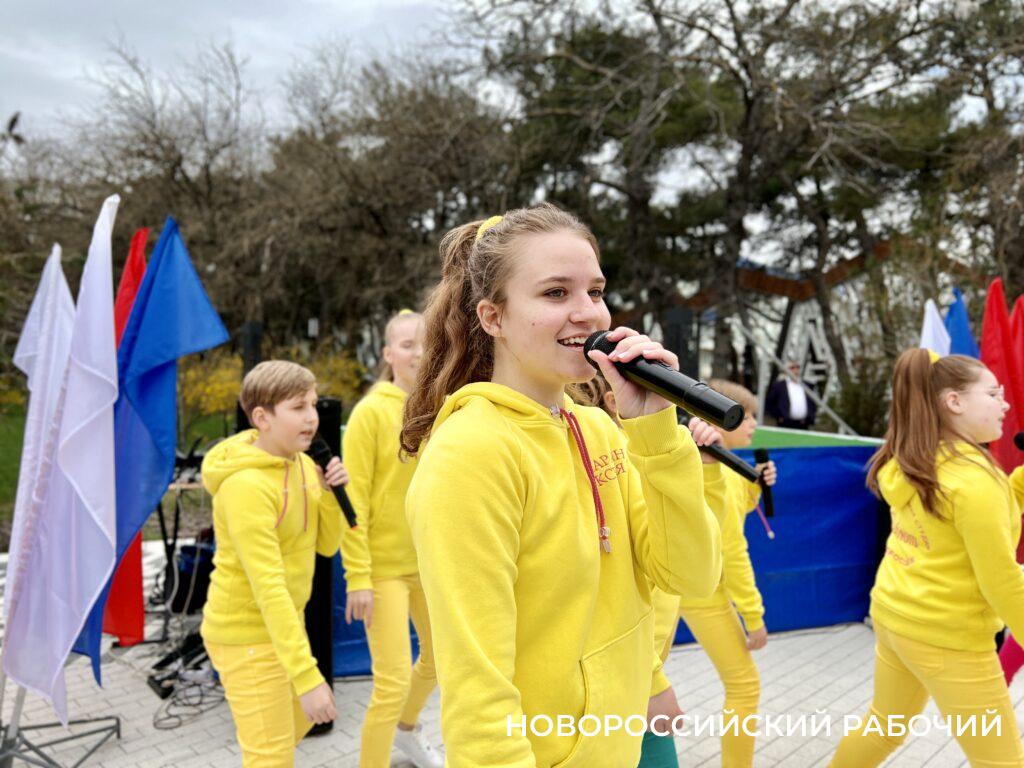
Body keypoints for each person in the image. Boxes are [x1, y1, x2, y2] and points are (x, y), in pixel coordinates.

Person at [400, 204, 724, 767]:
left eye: (595, 292)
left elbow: (690, 575)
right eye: (555, 293)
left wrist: (656, 430)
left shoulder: (599, 429)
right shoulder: (470, 453)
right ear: (492, 318)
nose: (587, 313)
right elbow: (476, 678)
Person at [830, 348, 1024, 767]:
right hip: (949, 637)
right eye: (993, 394)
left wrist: (1018, 484)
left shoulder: (914, 457)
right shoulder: (974, 480)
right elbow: (1001, 581)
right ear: (954, 402)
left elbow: (957, 524)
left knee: (882, 729)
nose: (1005, 404)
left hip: (897, 617)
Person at [577, 376, 776, 768]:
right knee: (744, 685)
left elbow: (720, 522)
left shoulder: (692, 461)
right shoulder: (641, 462)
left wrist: (751, 483)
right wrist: (753, 615)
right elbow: (727, 546)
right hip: (695, 604)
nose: (753, 423)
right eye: (745, 415)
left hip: (666, 626)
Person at [201, 361, 347, 767]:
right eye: (298, 407)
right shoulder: (245, 488)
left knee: (294, 728)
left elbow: (326, 546)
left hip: (283, 625)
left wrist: (330, 495)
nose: (312, 417)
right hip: (245, 635)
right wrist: (307, 676)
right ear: (262, 418)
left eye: (313, 404)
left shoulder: (301, 464)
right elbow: (269, 587)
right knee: (270, 755)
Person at [340, 309, 442, 768]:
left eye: (425, 342)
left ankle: (406, 730)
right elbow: (352, 501)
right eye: (407, 344)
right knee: (392, 681)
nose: (418, 352)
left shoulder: (441, 406)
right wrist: (357, 576)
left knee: (440, 660)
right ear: (388, 354)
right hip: (383, 569)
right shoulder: (370, 413)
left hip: (429, 563)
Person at [765, 359, 817, 429]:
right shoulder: (779, 386)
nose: (795, 370)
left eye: (797, 367)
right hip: (785, 423)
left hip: (803, 424)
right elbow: (769, 403)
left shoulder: (808, 385)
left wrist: (810, 418)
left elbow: (813, 403)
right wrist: (779, 416)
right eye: (792, 368)